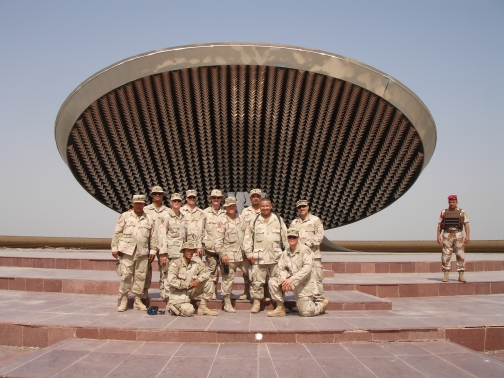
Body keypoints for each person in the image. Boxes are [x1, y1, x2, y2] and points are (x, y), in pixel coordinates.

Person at [268, 228, 330, 317]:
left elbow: (307, 269)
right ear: (287, 238)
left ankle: (321, 305)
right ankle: (280, 307)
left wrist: (291, 280)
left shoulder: (305, 250)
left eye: (294, 237)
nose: (292, 239)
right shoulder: (285, 253)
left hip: (303, 283)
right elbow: (281, 268)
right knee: (272, 281)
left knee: (306, 313)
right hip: (289, 282)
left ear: (298, 238)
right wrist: (284, 280)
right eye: (290, 237)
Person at [111, 195, 158, 312]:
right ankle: (124, 300)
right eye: (136, 203)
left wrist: (153, 250)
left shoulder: (149, 218)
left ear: (144, 205)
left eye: (141, 203)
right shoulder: (125, 216)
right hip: (127, 251)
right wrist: (114, 248)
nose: (138, 205)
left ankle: (138, 300)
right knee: (126, 276)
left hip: (142, 252)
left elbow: (153, 236)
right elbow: (117, 232)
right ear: (132, 203)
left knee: (140, 277)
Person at [243, 198, 288, 313]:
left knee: (277, 280)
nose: (265, 208)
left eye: (267, 206)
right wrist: (248, 253)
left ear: (271, 206)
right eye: (263, 206)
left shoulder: (278, 219)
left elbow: (285, 237)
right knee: (257, 281)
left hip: (276, 257)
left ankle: (279, 304)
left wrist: (288, 254)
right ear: (260, 207)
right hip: (259, 257)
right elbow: (248, 237)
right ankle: (257, 303)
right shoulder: (254, 220)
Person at [215, 197, 249, 313]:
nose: (231, 207)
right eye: (229, 206)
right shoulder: (222, 221)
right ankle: (227, 302)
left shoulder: (240, 220)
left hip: (242, 255)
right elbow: (218, 241)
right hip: (228, 257)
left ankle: (249, 294)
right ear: (225, 207)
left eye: (233, 205)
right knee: (228, 279)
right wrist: (223, 254)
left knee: (252, 274)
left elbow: (247, 236)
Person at [166, 242, 218, 317]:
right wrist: (188, 284)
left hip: (190, 292)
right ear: (183, 251)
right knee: (189, 311)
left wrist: (198, 280)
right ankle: (173, 307)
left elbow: (206, 273)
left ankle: (202, 307)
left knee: (209, 281)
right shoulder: (176, 264)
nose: (190, 252)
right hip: (178, 293)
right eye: (187, 250)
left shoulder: (195, 264)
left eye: (191, 251)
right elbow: (172, 281)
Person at [290, 199, 325, 301]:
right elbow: (290, 237)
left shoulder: (315, 220)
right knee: (302, 279)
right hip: (299, 257)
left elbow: (319, 236)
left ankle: (319, 301)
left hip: (313, 255)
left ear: (308, 207)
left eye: (304, 206)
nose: (302, 208)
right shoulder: (294, 222)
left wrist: (306, 244)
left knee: (316, 278)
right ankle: (304, 302)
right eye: (299, 207)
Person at [142, 186, 170, 300]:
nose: (157, 195)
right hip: (149, 245)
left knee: (165, 269)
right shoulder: (145, 210)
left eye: (159, 194)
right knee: (145, 270)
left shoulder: (168, 211)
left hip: (164, 245)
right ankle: (143, 292)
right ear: (152, 196)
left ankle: (164, 293)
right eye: (155, 194)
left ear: (162, 195)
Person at [158, 193, 187, 300]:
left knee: (179, 275)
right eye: (174, 201)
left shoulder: (183, 218)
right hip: (170, 253)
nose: (176, 203)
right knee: (167, 275)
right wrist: (163, 253)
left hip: (180, 253)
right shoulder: (166, 217)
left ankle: (176, 297)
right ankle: (167, 297)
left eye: (178, 201)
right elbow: (162, 236)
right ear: (170, 202)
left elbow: (185, 236)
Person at [437, 195, 470, 283]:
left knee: (460, 254)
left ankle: (461, 275)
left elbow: (466, 224)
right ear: (448, 202)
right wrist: (438, 235)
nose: (451, 203)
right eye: (450, 202)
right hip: (447, 234)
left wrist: (467, 236)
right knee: (446, 255)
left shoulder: (462, 212)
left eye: (453, 202)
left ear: (456, 202)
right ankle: (446, 275)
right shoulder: (444, 212)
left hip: (458, 234)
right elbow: (439, 224)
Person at [237, 189, 262, 300]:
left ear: (260, 198)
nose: (255, 198)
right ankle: (246, 292)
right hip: (247, 246)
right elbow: (241, 228)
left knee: (262, 271)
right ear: (250, 198)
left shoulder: (265, 210)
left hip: (261, 247)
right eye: (253, 196)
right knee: (247, 271)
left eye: (257, 196)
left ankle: (265, 293)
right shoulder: (245, 212)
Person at [202, 189, 226, 299]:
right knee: (212, 271)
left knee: (225, 272)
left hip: (223, 249)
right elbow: (200, 230)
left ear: (221, 199)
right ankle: (212, 292)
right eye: (214, 198)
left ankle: (226, 294)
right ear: (211, 199)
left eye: (218, 198)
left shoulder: (225, 213)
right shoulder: (205, 213)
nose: (216, 200)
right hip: (210, 248)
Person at [180, 189, 205, 257]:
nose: (192, 199)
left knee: (196, 266)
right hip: (183, 245)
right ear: (186, 198)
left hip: (195, 246)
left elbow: (202, 230)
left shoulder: (201, 213)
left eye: (193, 197)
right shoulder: (180, 211)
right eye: (190, 197)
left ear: (196, 198)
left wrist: (199, 246)